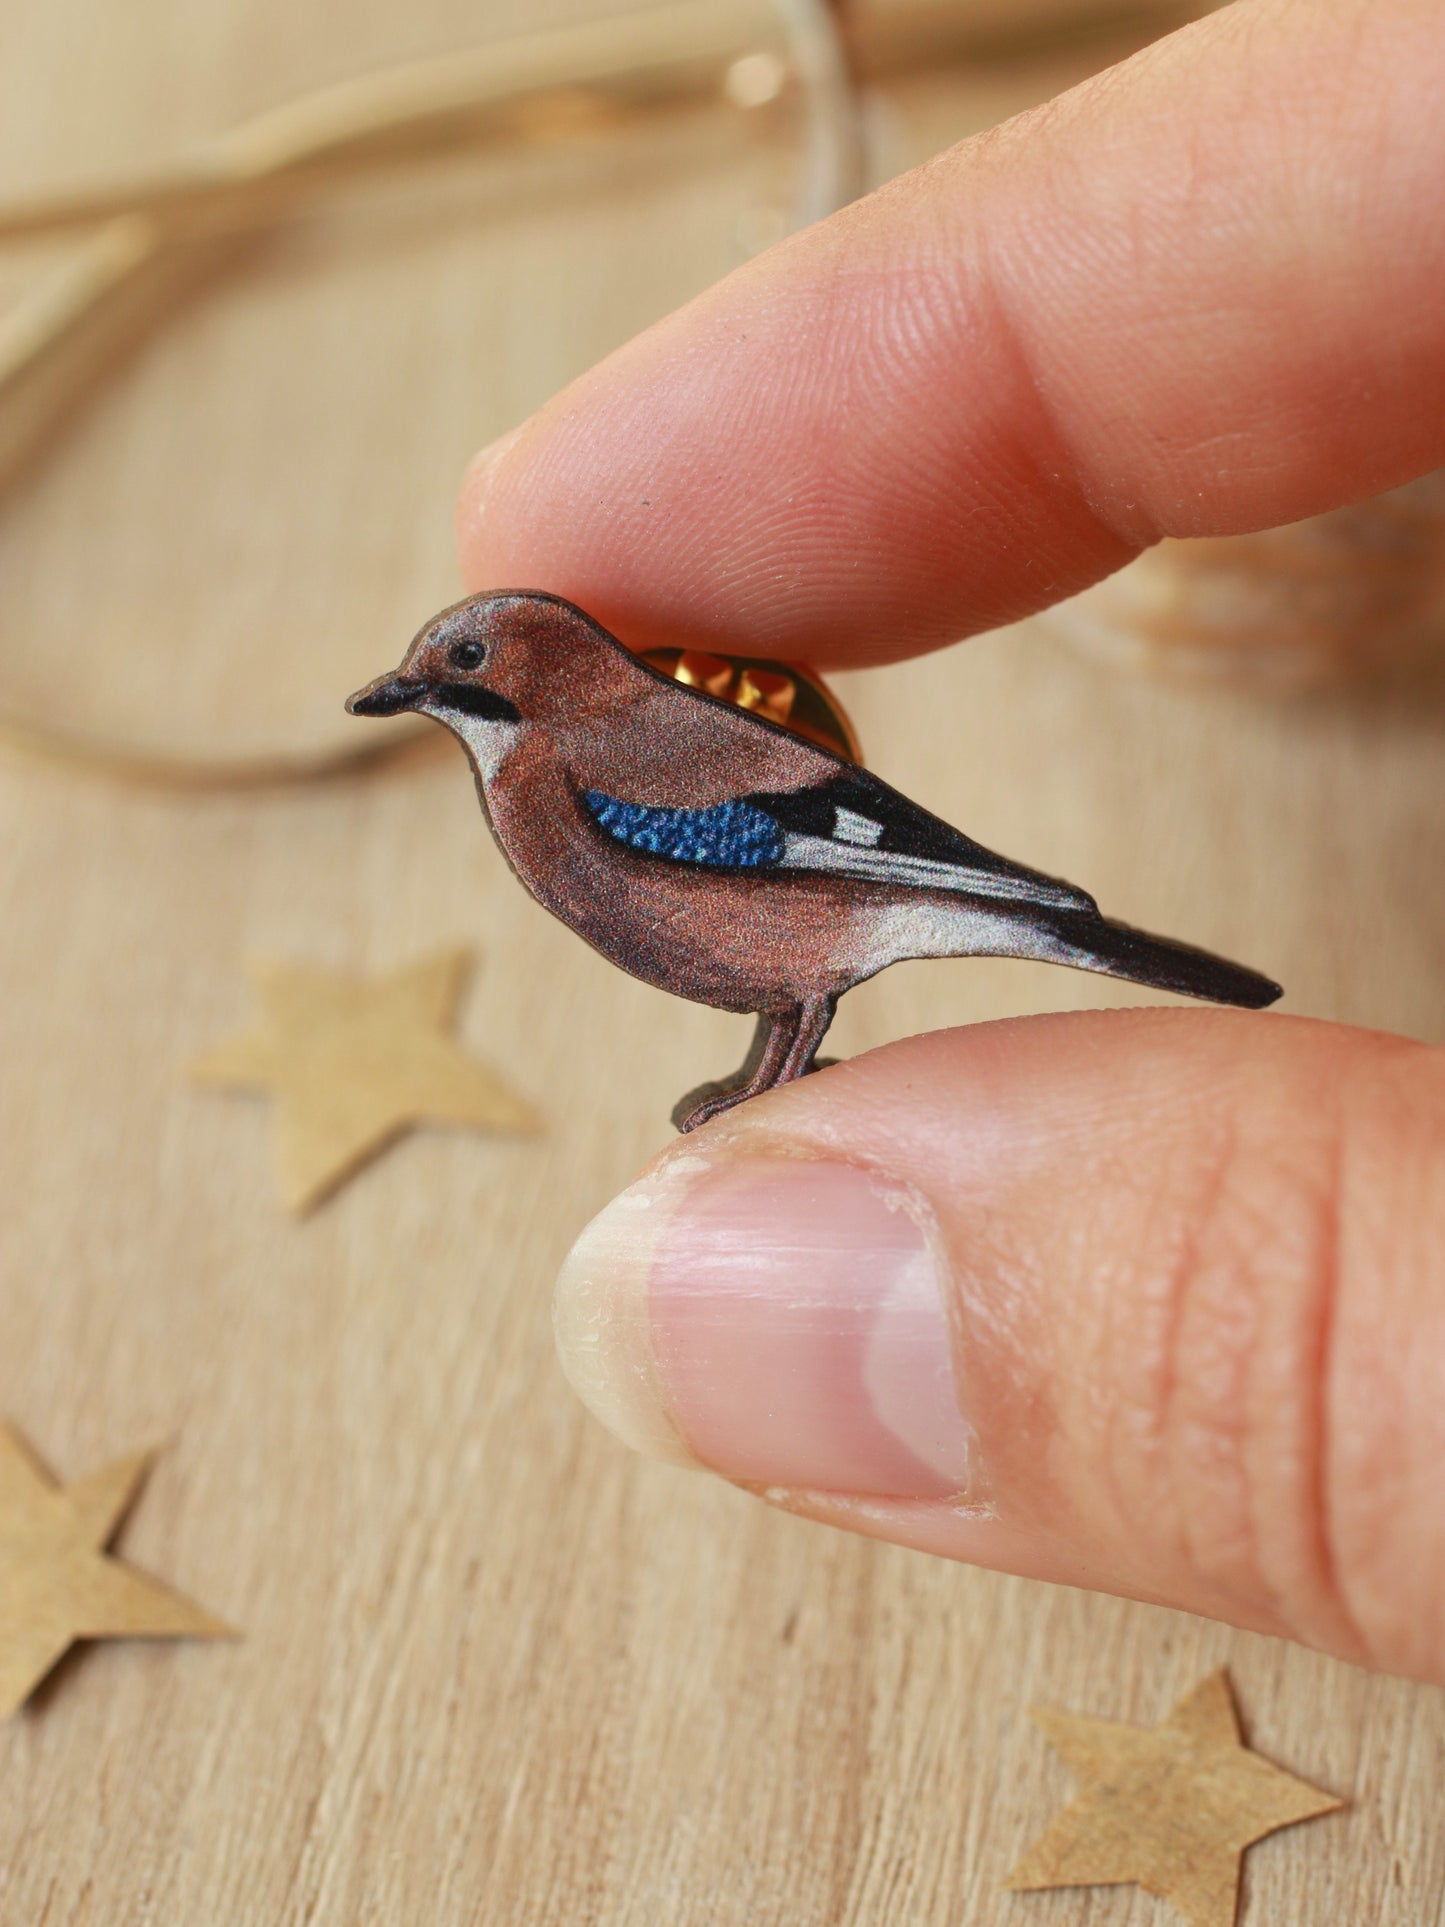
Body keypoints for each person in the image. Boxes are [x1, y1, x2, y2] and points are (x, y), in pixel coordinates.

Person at [457, 0, 1445, 1685]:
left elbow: (807, 871)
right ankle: (773, 1065)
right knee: (785, 982)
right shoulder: (554, 765)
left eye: (459, 669)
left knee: (810, 959)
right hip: (815, 908)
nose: (436, 690)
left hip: (855, 886)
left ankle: (783, 1067)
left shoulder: (582, 768)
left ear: (536, 672)